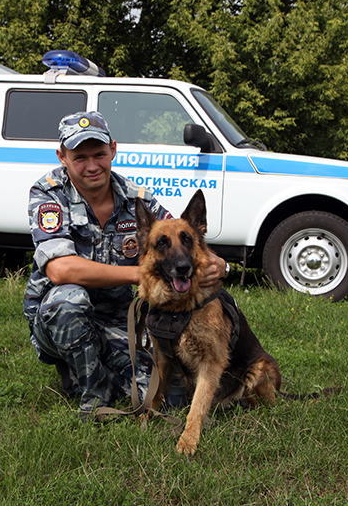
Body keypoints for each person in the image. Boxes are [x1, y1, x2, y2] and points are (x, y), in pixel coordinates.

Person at [23, 111, 227, 419]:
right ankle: (92, 389)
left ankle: (101, 364)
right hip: (59, 318)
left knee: (164, 396)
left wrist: (218, 264)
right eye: (79, 157)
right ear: (62, 156)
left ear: (113, 150)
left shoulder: (137, 198)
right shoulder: (48, 193)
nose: (92, 166)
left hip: (121, 321)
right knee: (69, 301)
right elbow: (60, 270)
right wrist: (139, 274)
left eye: (99, 155)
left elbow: (180, 235)